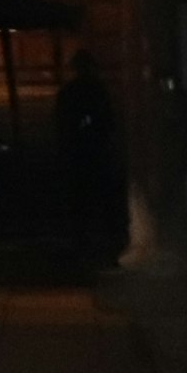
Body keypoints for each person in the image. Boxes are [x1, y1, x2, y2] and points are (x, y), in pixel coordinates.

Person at [57, 51, 127, 262]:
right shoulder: (93, 90)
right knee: (98, 196)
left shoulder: (75, 91)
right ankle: (102, 237)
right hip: (92, 149)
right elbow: (107, 120)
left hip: (83, 150)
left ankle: (86, 237)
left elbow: (64, 122)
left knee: (84, 197)